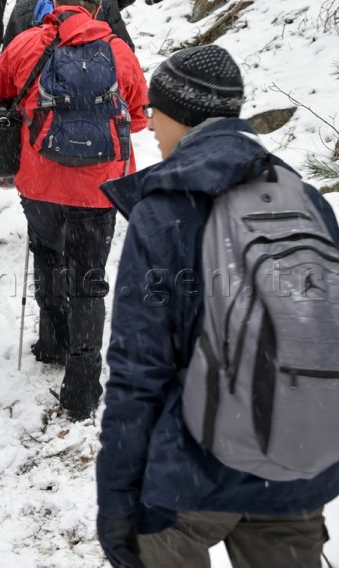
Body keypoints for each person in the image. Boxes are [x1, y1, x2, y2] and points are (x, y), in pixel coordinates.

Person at [96, 44, 339, 568]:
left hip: (190, 474)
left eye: (153, 112)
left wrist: (117, 500)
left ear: (178, 116)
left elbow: (138, 372)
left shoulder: (164, 211)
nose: (149, 126)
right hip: (294, 461)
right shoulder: (303, 197)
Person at [0, 0, 148, 420]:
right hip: (99, 188)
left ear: (57, 2)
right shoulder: (118, 52)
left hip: (39, 180)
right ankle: (82, 388)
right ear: (93, 7)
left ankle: (52, 342)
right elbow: (139, 115)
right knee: (89, 280)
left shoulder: (28, 43)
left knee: (48, 257)